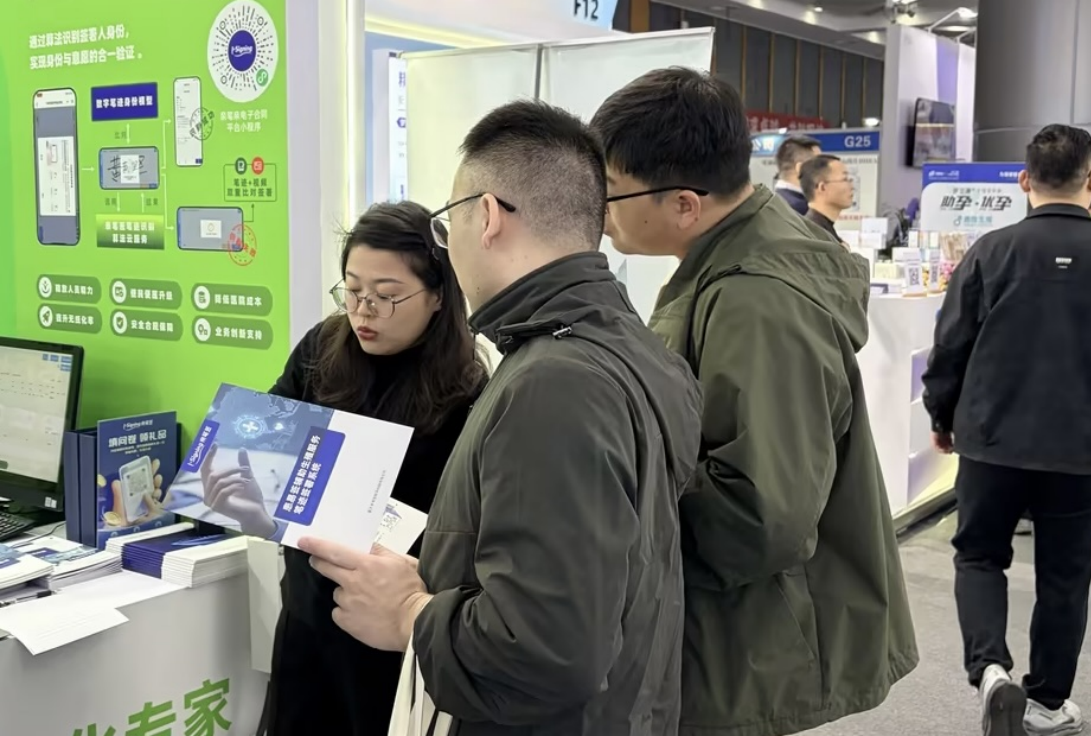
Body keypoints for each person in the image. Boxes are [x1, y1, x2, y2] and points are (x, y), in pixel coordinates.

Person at [298, 100, 703, 735]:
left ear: (486, 216)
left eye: (447, 222)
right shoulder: (630, 346)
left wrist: (410, 614)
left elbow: (544, 650)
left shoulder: (554, 384)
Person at [591, 67, 917, 736]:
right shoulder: (735, 259)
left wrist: (616, 516)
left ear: (685, 204)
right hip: (743, 626)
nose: (600, 211)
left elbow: (763, 513)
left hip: (749, 637)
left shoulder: (755, 300)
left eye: (612, 191)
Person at [200, 201, 487, 736]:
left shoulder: (467, 391)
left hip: (388, 632)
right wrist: (241, 496)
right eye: (352, 290)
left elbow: (457, 537)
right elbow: (260, 451)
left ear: (437, 296)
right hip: (307, 612)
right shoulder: (322, 348)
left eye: (386, 295)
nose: (363, 311)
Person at [923, 124, 1091, 736]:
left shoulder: (989, 251)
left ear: (1024, 180)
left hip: (991, 437)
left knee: (979, 556)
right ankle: (1047, 703)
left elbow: (950, 345)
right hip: (1085, 446)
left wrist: (941, 416)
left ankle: (991, 670)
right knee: (1065, 577)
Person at [799, 153, 854, 242]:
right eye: (845, 179)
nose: (851, 186)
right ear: (822, 187)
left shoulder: (818, 229)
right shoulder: (816, 236)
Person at [773, 134, 821, 214]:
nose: (825, 170)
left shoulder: (772, 202)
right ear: (801, 168)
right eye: (820, 164)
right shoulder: (802, 209)